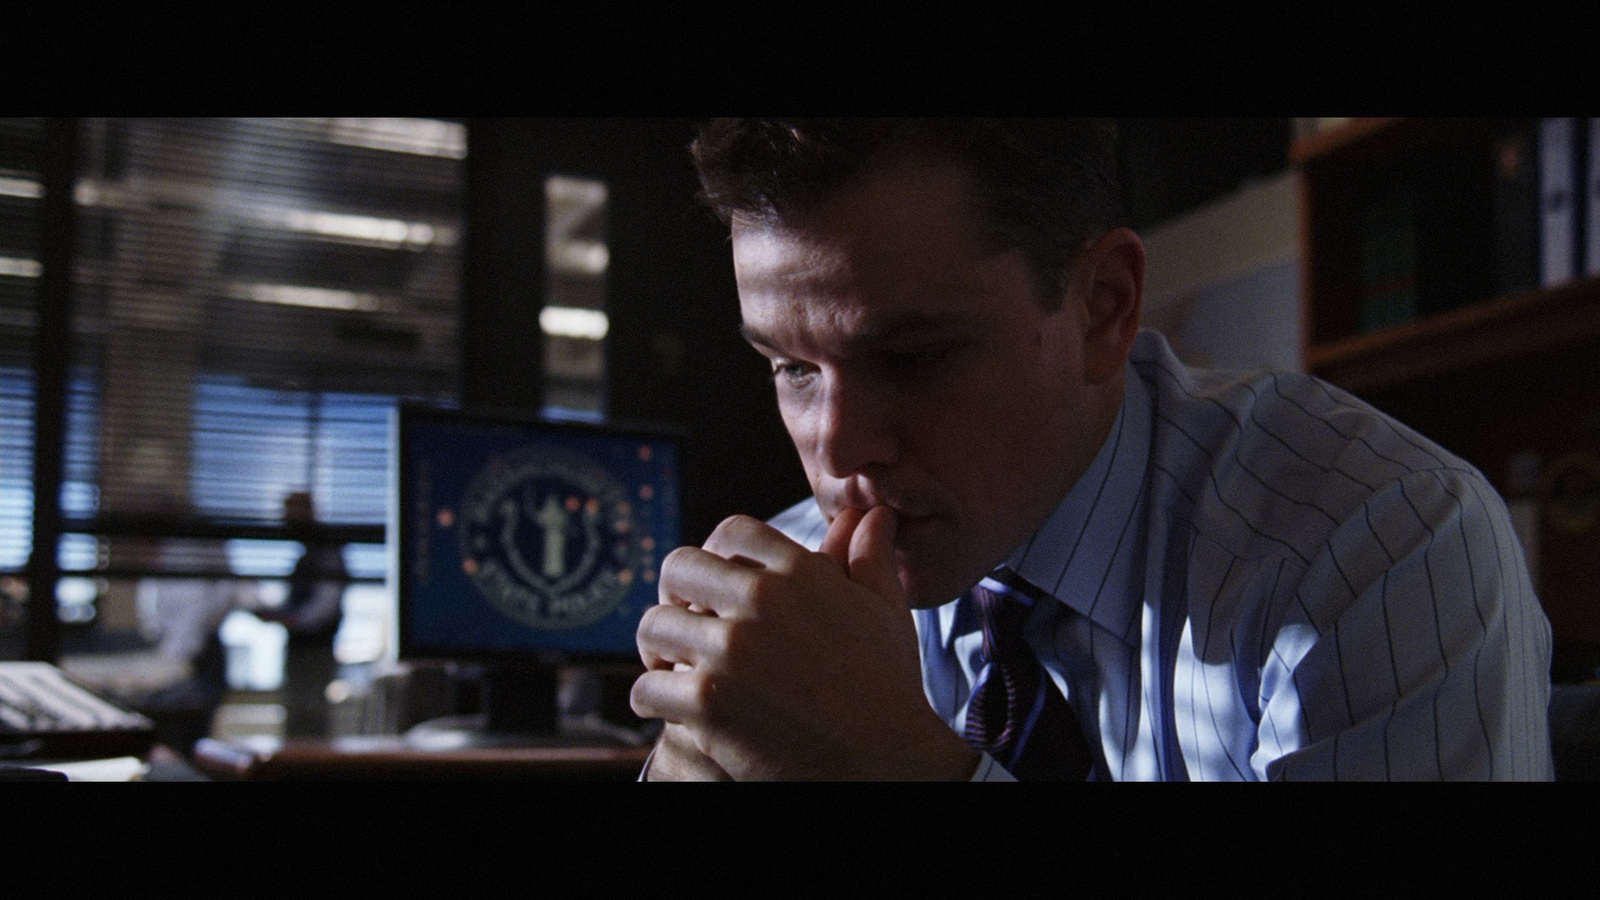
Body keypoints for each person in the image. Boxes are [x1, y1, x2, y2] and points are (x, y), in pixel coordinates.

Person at [630, 119, 1554, 780]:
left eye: (912, 358)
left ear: (1104, 306)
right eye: (792, 369)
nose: (839, 451)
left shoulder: (1377, 548)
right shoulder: (788, 603)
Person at [259, 490, 347, 737]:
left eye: (290, 512)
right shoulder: (307, 553)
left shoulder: (327, 549)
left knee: (310, 715)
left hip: (315, 648)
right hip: (300, 647)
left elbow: (326, 604)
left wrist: (290, 619)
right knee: (296, 715)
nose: (285, 520)